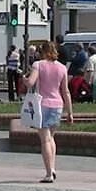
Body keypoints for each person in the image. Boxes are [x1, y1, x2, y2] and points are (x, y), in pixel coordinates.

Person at [23, 40, 73, 183]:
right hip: (58, 104)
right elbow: (66, 91)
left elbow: (30, 83)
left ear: (42, 52)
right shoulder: (63, 68)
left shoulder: (38, 65)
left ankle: (48, 173)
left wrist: (24, 79)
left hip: (42, 104)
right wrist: (70, 112)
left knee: (44, 140)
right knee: (51, 138)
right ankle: (53, 167)